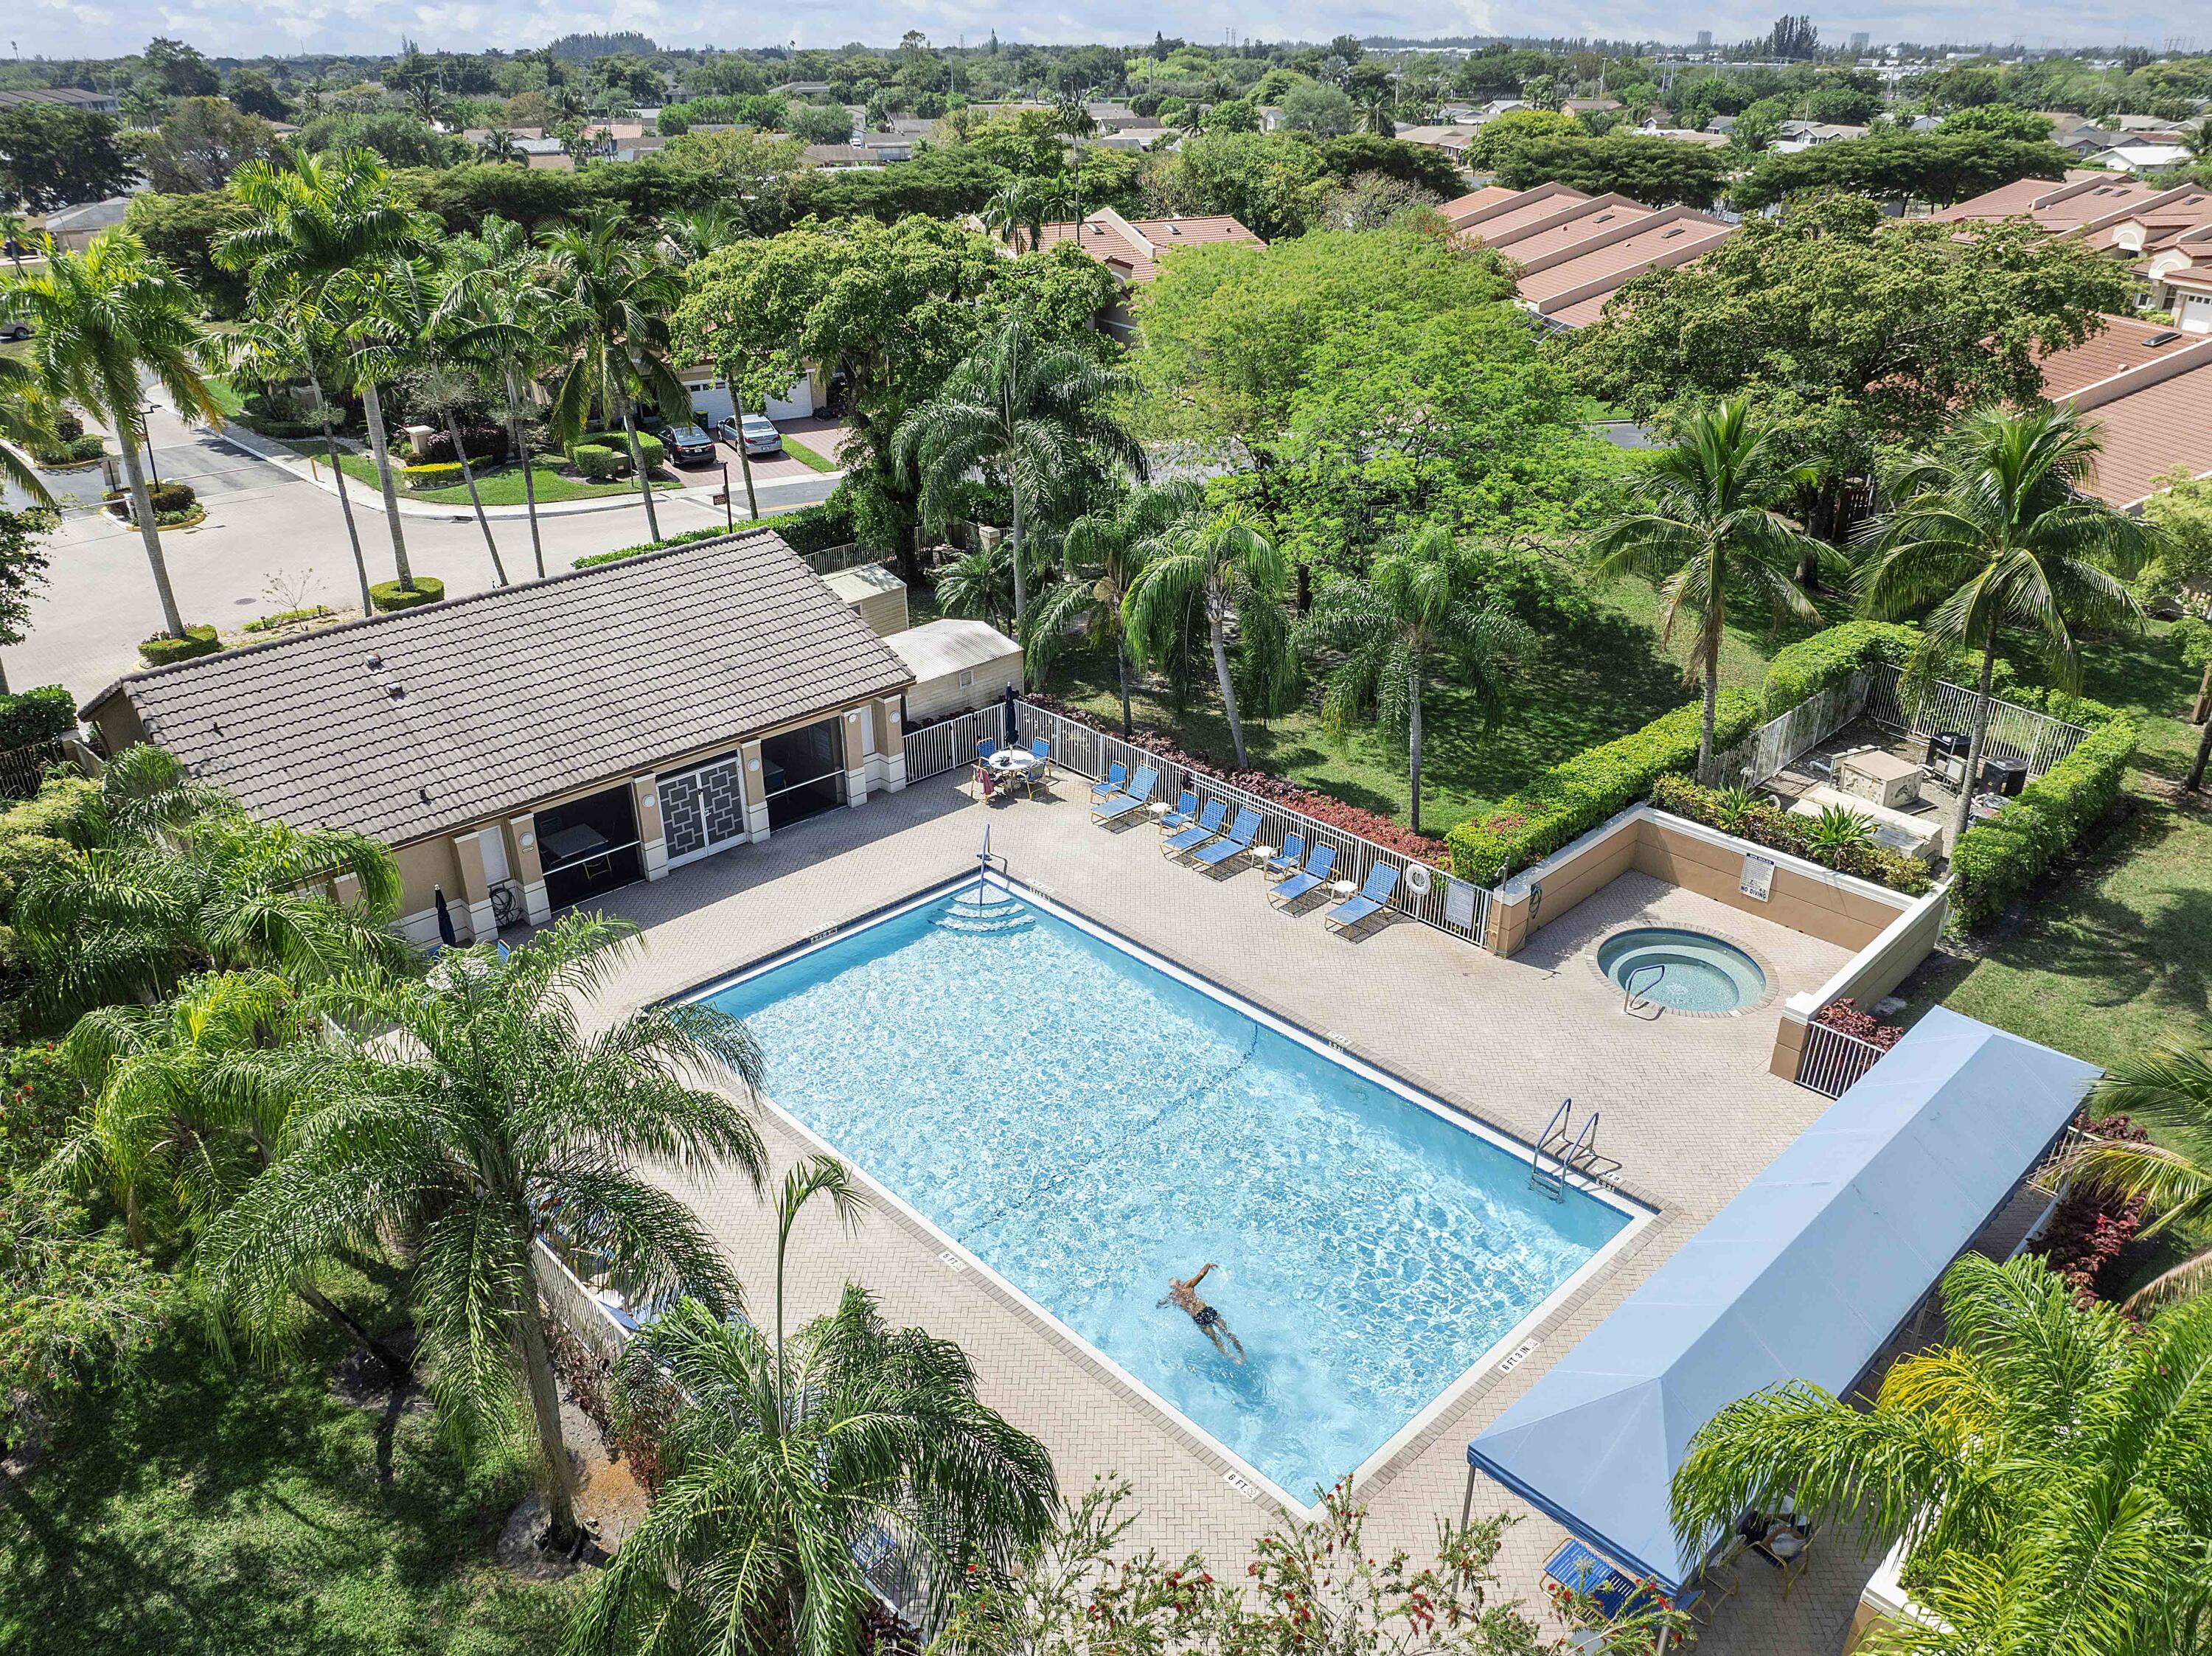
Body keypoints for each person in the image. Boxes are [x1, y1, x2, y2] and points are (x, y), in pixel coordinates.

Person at [1160, 1262, 1245, 1363]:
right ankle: (1242, 1354)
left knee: (1216, 1340)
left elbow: (1161, 1304)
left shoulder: (1173, 1296)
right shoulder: (1187, 1285)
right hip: (1206, 1311)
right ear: (1179, 1282)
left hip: (1198, 1318)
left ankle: (1233, 1357)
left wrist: (1160, 1303)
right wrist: (1209, 1264)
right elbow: (1201, 1274)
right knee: (1226, 1332)